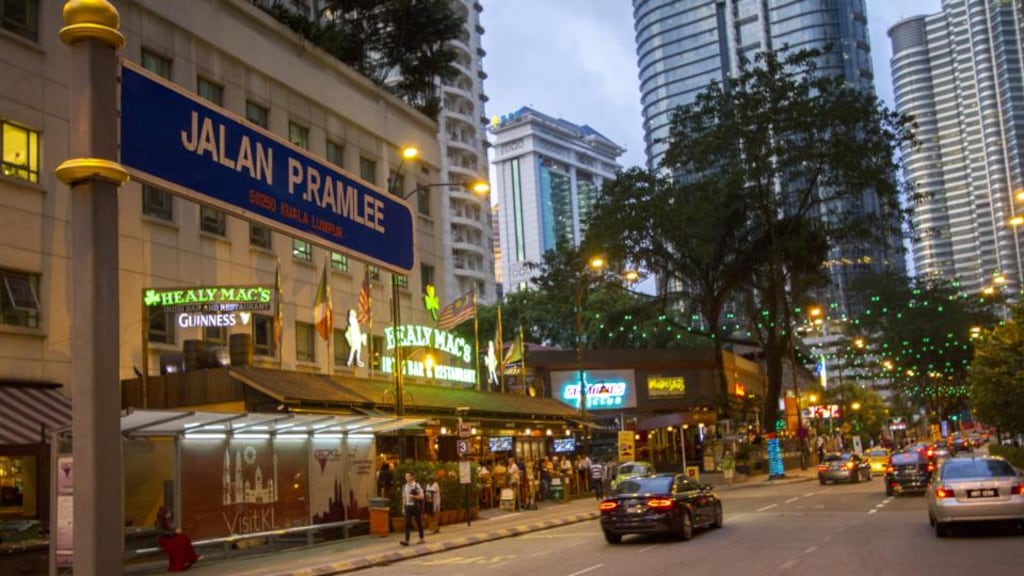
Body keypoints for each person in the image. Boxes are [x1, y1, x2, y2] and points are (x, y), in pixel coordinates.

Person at [156, 505, 200, 572]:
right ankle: (181, 563)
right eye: (168, 513)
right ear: (163, 513)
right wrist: (174, 532)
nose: (169, 514)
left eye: (170, 513)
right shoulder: (158, 522)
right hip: (164, 540)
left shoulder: (167, 520)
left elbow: (170, 530)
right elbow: (161, 532)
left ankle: (191, 557)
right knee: (179, 544)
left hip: (170, 538)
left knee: (183, 538)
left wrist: (177, 530)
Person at [399, 472, 425, 546]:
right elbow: (404, 498)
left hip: (416, 506)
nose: (407, 478)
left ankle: (421, 538)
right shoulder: (404, 487)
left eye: (408, 476)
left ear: (412, 477)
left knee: (418, 522)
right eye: (406, 476)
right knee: (407, 523)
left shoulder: (416, 485)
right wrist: (403, 508)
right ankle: (407, 540)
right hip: (408, 506)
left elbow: (422, 496)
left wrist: (414, 496)